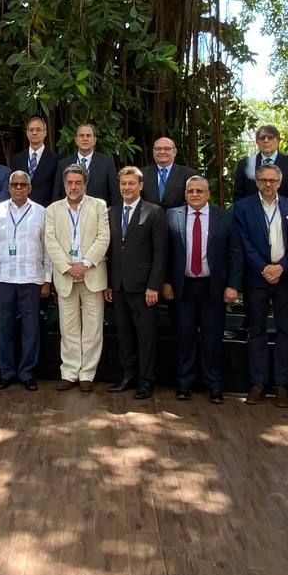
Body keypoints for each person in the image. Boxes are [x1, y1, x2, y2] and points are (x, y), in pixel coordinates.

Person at [161, 176, 242, 402]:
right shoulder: (172, 215)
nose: (195, 194)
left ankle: (214, 385)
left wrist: (233, 285)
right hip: (182, 288)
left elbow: (235, 253)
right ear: (185, 194)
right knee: (184, 336)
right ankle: (184, 383)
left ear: (208, 194)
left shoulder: (224, 217)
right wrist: (166, 281)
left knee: (212, 338)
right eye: (190, 191)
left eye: (199, 191)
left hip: (213, 287)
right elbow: (165, 252)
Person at [233, 163, 288, 407]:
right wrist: (262, 267)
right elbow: (242, 242)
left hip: (284, 278)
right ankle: (258, 383)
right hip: (256, 277)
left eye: (272, 180)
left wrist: (281, 266)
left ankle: (282, 385)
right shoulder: (243, 207)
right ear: (257, 182)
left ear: (280, 183)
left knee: (285, 331)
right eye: (263, 180)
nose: (268, 184)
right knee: (256, 331)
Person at [45, 164, 111, 392]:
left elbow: (104, 238)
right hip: (65, 276)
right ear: (64, 184)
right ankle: (70, 372)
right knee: (69, 327)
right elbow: (50, 241)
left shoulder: (99, 206)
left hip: (91, 274)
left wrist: (84, 264)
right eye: (70, 183)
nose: (73, 187)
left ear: (85, 184)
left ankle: (87, 375)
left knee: (92, 328)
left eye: (78, 183)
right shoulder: (52, 209)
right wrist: (67, 267)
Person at [106, 166, 169, 400]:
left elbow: (160, 253)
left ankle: (146, 380)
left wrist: (154, 286)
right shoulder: (111, 212)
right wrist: (110, 284)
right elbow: (111, 251)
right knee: (124, 335)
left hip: (144, 288)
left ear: (140, 186)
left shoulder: (154, 212)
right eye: (123, 184)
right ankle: (128, 375)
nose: (127, 188)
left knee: (146, 337)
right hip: (119, 286)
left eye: (131, 183)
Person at [0, 170, 51, 390]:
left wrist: (46, 279)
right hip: (4, 278)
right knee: (4, 328)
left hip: (31, 279)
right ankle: (6, 372)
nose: (18, 188)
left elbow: (47, 249)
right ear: (9, 187)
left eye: (22, 185)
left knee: (30, 329)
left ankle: (26, 372)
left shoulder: (41, 212)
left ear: (30, 188)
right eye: (14, 184)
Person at [233, 124, 288, 205]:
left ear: (278, 141)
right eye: (262, 137)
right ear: (257, 142)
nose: (266, 140)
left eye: (270, 137)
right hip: (252, 215)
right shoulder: (245, 164)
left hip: (283, 215)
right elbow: (238, 196)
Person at [59, 123, 120, 205]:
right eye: (81, 136)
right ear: (76, 140)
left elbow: (114, 195)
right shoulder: (63, 164)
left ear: (94, 140)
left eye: (88, 136)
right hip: (69, 214)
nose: (85, 139)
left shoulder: (107, 163)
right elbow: (57, 195)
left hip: (97, 214)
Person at [13, 116, 59, 206]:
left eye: (38, 130)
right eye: (31, 130)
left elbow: (56, 189)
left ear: (45, 133)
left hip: (45, 208)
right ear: (27, 133)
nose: (34, 133)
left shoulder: (55, 159)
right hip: (20, 208)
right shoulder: (17, 159)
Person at [141, 137, 198, 209]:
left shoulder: (189, 174)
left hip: (178, 218)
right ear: (153, 152)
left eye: (167, 149)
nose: (162, 152)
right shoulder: (141, 174)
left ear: (174, 152)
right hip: (149, 218)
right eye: (158, 149)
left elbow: (192, 200)